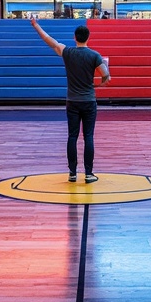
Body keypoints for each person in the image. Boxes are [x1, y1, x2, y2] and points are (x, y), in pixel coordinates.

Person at [31, 18, 110, 183]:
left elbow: (49, 40)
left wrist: (36, 25)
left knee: (72, 136)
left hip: (72, 101)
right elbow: (105, 76)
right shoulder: (95, 55)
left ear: (75, 37)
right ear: (88, 37)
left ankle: (72, 173)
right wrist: (99, 85)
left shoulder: (67, 52)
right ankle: (89, 174)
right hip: (89, 100)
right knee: (88, 136)